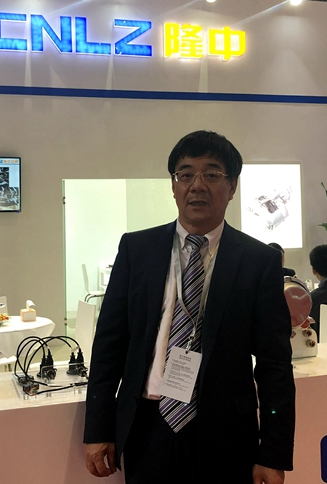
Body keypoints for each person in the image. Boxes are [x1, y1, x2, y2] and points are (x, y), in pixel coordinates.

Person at [84, 130, 295, 484]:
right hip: (147, 428)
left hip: (227, 434)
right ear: (173, 185)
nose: (197, 185)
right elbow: (109, 345)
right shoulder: (137, 250)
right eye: (185, 175)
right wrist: (98, 427)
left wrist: (273, 453)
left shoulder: (259, 261)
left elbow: (274, 365)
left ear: (232, 186)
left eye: (212, 174)